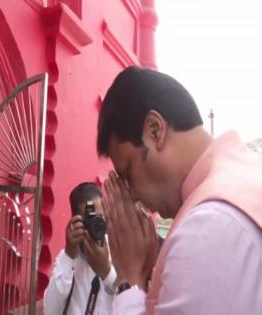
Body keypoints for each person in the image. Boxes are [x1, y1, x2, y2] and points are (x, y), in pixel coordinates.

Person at [97, 66, 262, 314]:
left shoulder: (209, 226)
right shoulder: (241, 177)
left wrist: (129, 280)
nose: (132, 195)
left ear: (154, 130)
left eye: (128, 173)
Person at [43, 182, 117, 315]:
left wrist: (106, 272)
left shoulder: (118, 254)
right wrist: (69, 255)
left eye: (99, 217)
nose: (95, 224)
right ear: (75, 221)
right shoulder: (67, 258)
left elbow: (129, 302)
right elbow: (50, 311)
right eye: (88, 219)